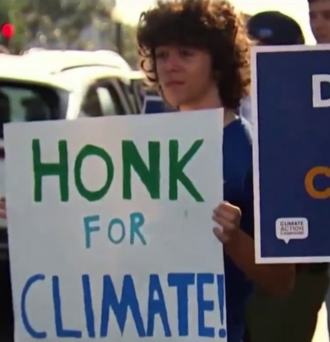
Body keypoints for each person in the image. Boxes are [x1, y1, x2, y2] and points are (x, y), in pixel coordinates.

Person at [0, 1, 295, 341]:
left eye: (186, 54)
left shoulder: (250, 151)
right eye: (162, 55)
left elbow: (281, 280)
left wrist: (232, 239)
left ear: (218, 64)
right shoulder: (137, 150)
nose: (170, 66)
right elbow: (104, 240)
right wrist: (37, 215)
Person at [244, 9, 329, 342]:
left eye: (271, 50)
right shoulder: (226, 105)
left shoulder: (310, 100)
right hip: (248, 258)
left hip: (305, 263)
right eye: (252, 49)